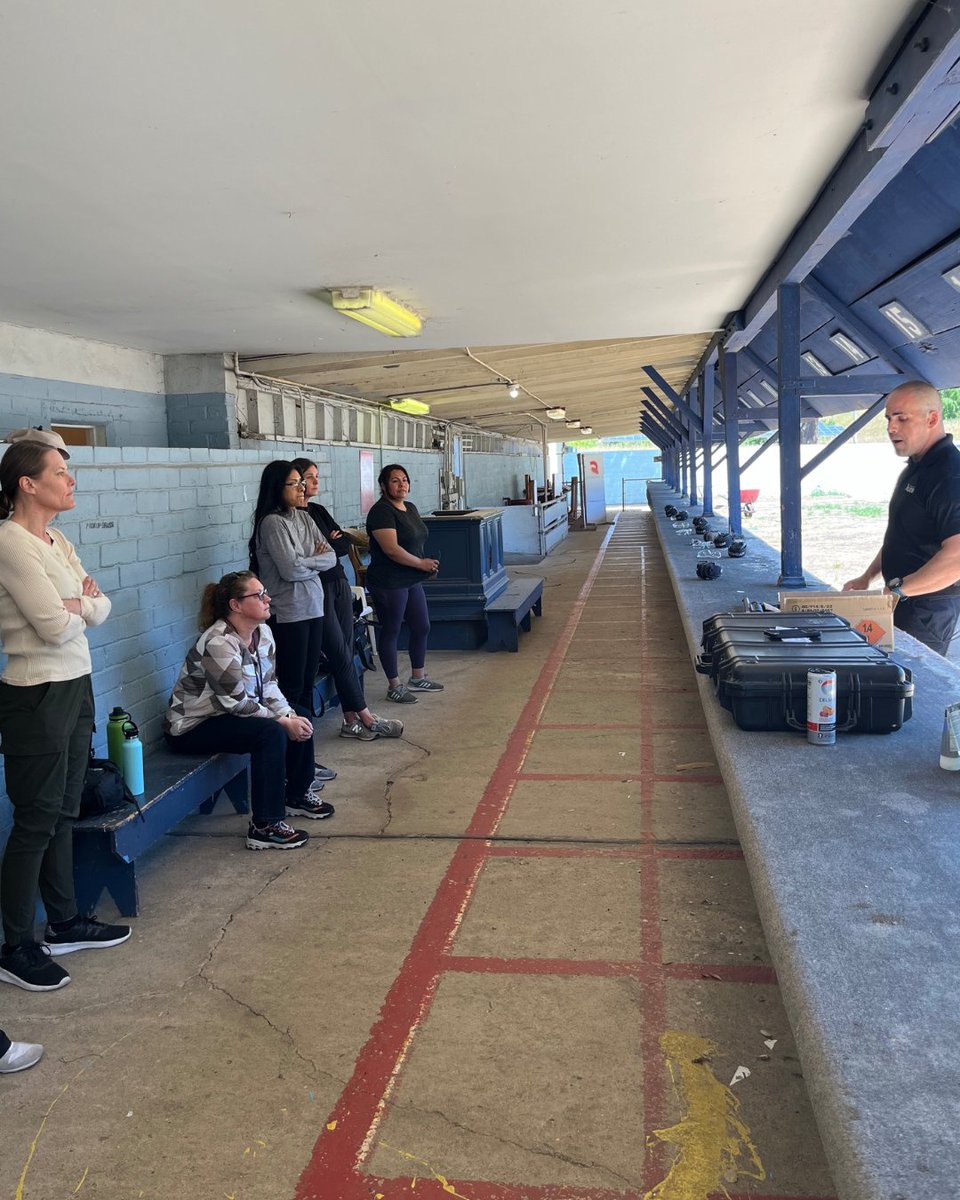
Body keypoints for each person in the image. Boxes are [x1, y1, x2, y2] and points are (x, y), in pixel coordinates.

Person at [0, 428, 130, 993]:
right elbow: (53, 626)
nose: (70, 480)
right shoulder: (10, 542)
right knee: (35, 820)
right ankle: (15, 945)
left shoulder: (57, 540)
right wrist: (80, 605)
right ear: (28, 484)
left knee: (62, 811)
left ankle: (64, 921)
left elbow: (102, 606)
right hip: (36, 693)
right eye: (59, 472)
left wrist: (79, 604)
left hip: (76, 683)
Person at [164, 570, 331, 847]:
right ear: (236, 605)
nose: (268, 598)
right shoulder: (219, 641)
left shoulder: (262, 633)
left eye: (265, 592)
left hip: (226, 715)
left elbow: (269, 686)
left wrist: (288, 715)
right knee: (270, 733)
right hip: (191, 727)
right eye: (258, 594)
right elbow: (236, 703)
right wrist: (281, 722)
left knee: (299, 711)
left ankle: (297, 794)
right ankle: (264, 826)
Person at [843, 380, 960, 655]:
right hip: (901, 598)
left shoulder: (948, 475)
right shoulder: (918, 466)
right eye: (888, 419)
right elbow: (903, 535)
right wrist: (866, 577)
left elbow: (956, 559)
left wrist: (898, 590)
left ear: (932, 418)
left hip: (927, 609)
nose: (891, 428)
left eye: (901, 419)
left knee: (912, 683)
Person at [290, 457, 402, 741]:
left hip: (339, 582)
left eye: (316, 476)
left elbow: (341, 544)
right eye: (309, 477)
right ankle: (366, 717)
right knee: (338, 651)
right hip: (316, 590)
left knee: (349, 647)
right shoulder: (291, 517)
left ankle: (350, 720)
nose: (316, 482)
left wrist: (325, 547)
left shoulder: (318, 510)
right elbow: (316, 551)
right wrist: (325, 547)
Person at [249, 460, 339, 782]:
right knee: (290, 689)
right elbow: (288, 570)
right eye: (295, 484)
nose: (302, 488)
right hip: (288, 614)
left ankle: (303, 760)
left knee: (305, 686)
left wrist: (308, 561)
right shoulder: (272, 524)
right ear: (277, 488)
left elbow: (331, 556)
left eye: (303, 482)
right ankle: (293, 766)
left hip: (313, 607)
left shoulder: (304, 517)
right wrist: (311, 562)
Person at [365, 463, 444, 704]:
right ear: (383, 485)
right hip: (389, 581)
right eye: (395, 481)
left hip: (410, 579)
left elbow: (414, 539)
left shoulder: (409, 507)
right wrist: (420, 563)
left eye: (405, 480)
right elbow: (391, 549)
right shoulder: (381, 511)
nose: (402, 485)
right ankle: (394, 685)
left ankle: (417, 677)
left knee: (422, 626)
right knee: (391, 630)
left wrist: (421, 565)